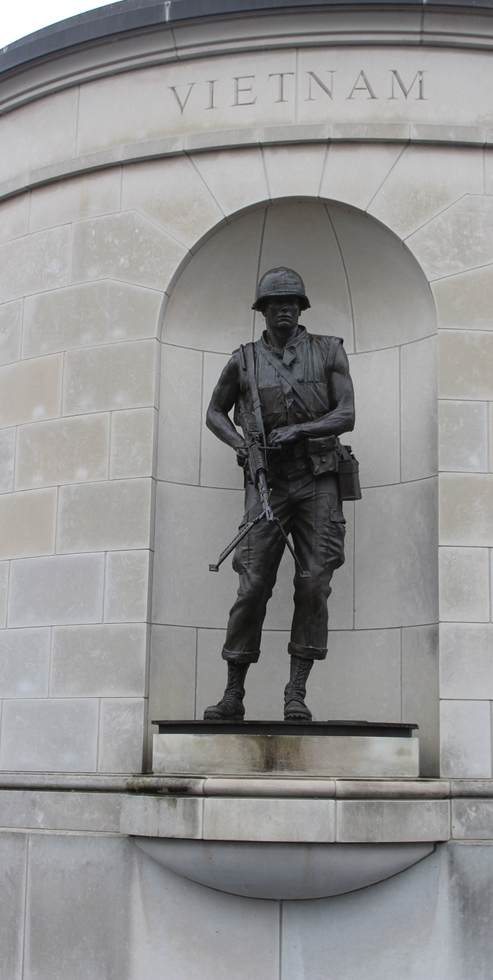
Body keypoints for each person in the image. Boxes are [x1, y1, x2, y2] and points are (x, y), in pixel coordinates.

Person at [204, 266, 356, 721]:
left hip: (318, 478)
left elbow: (346, 413)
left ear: (302, 308)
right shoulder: (243, 360)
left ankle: (296, 691)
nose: (284, 309)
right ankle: (233, 693)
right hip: (267, 481)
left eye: (292, 302)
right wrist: (240, 446)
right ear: (263, 311)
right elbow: (215, 412)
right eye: (276, 304)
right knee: (252, 585)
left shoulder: (329, 350)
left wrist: (301, 431)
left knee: (314, 584)